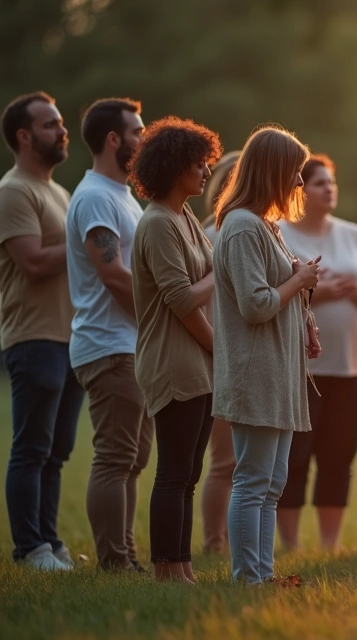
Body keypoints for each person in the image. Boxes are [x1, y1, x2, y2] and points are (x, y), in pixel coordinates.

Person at [211, 125, 320, 585]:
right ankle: (247, 579)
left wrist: (305, 318)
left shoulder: (266, 226)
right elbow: (255, 304)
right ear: (272, 170)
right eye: (294, 171)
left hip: (278, 372)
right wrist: (299, 280)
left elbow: (278, 291)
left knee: (272, 483)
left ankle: (263, 574)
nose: (300, 182)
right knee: (253, 481)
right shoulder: (241, 227)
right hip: (255, 371)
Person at [128, 116, 223, 582]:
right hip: (172, 360)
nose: (207, 171)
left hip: (199, 361)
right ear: (174, 166)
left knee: (189, 473)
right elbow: (182, 300)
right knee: (173, 471)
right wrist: (219, 348)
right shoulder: (158, 223)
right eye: (199, 163)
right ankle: (164, 570)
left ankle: (182, 568)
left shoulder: (185, 218)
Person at [65, 97, 154, 572]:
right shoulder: (96, 196)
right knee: (116, 457)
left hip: (131, 344)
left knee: (133, 459)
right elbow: (114, 276)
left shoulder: (122, 194)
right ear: (113, 139)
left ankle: (126, 558)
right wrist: (156, 321)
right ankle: (114, 562)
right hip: (109, 345)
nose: (144, 138)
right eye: (137, 132)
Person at [277, 154, 357, 552]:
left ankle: (330, 544)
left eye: (332, 182)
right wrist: (320, 293)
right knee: (295, 457)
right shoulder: (281, 232)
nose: (329, 189)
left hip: (351, 366)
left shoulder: (353, 234)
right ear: (300, 190)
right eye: (320, 182)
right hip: (299, 367)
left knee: (338, 458)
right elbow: (273, 295)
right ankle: (290, 544)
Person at [0, 92, 83, 571]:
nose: (62, 130)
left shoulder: (60, 192)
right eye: (50, 124)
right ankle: (29, 549)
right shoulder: (14, 190)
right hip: (33, 336)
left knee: (57, 451)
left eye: (61, 122)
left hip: (70, 338)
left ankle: (51, 545)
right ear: (24, 136)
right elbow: (31, 262)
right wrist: (87, 244)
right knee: (31, 448)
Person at [198, 150, 240, 554]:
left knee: (243, 462)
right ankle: (215, 543)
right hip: (219, 357)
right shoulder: (213, 233)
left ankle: (233, 539)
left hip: (243, 358)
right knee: (225, 460)